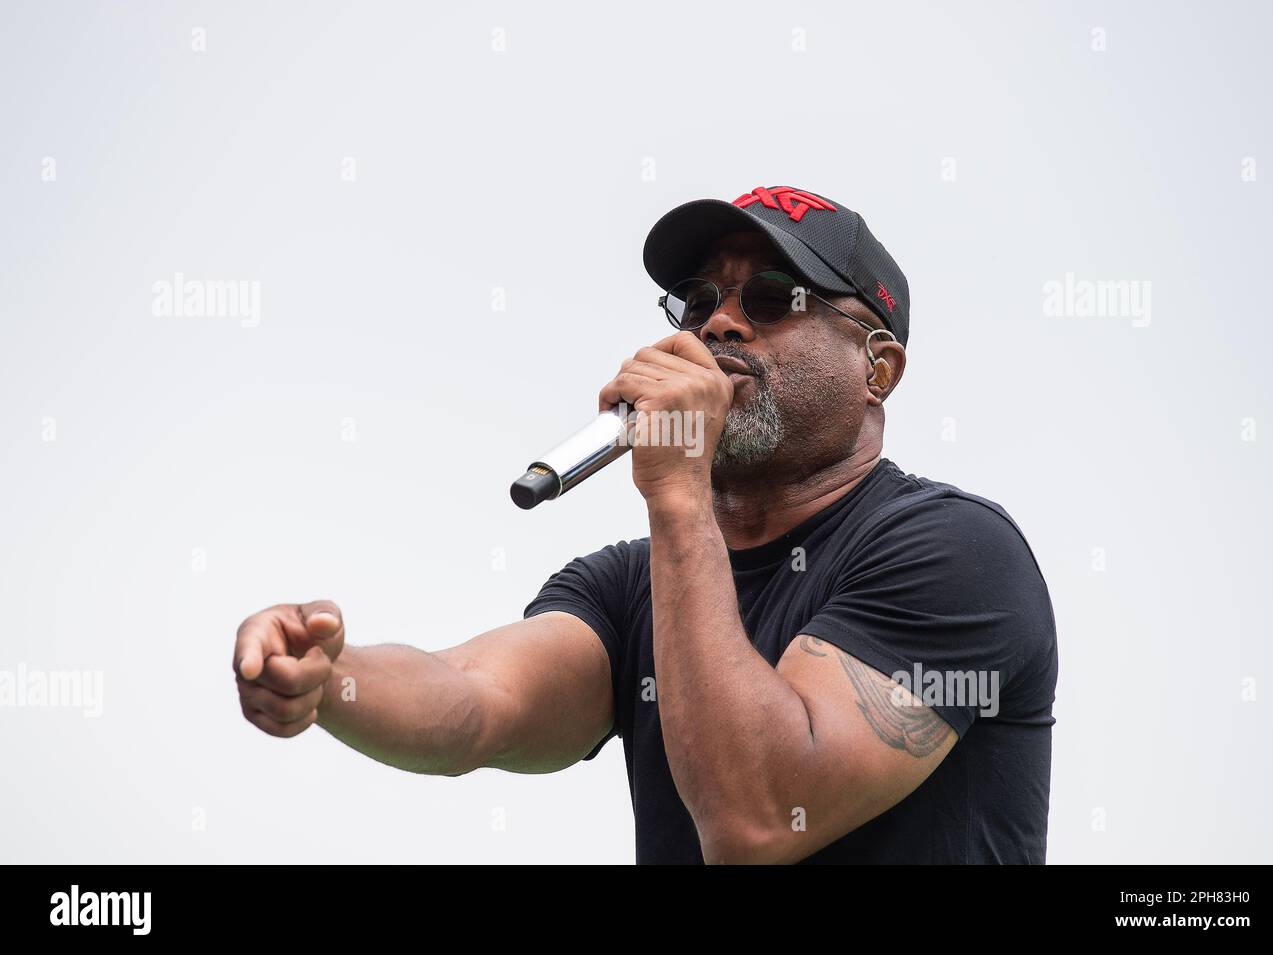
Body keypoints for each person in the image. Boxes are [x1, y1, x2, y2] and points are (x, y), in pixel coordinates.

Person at [232, 184, 1058, 864]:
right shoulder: (633, 579)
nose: (720, 324)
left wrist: (676, 492)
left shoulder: (957, 553)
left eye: (772, 298)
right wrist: (331, 679)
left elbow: (759, 817)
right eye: (699, 301)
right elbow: (475, 702)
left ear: (878, 367)